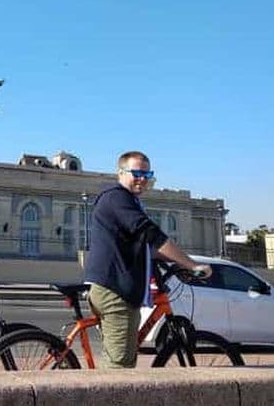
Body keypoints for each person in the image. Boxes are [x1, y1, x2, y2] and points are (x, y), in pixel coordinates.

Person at [84, 150, 212, 368]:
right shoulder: (117, 197)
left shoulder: (126, 200)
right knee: (119, 369)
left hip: (113, 288)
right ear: (121, 173)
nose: (142, 179)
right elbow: (151, 235)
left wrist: (176, 261)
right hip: (115, 292)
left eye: (147, 174)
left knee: (120, 356)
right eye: (136, 173)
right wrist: (192, 264)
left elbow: (146, 247)